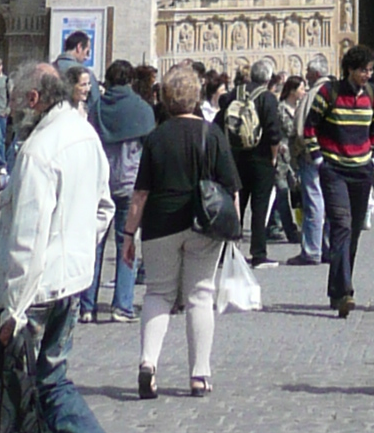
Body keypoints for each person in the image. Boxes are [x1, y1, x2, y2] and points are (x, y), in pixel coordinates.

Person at [0, 61, 142, 433]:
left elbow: (27, 242)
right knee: (48, 387)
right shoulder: (84, 135)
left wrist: (13, 312)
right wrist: (77, 256)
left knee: (9, 402)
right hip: (68, 287)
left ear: (32, 101)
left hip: (32, 295)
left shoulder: (39, 150)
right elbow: (104, 209)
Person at [122, 61, 239, 398]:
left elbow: (140, 193)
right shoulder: (212, 133)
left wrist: (129, 235)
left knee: (158, 294)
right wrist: (234, 229)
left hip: (160, 223)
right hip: (203, 224)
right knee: (201, 295)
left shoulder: (157, 137)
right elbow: (231, 187)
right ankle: (199, 375)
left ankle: (148, 363)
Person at [312, 43, 374, 318]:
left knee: (353, 230)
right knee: (340, 226)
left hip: (361, 168)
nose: (367, 75)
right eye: (363, 70)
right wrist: (319, 159)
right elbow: (310, 126)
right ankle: (345, 292)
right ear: (349, 70)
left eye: (369, 70)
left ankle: (336, 287)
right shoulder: (329, 93)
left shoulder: (373, 95)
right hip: (335, 168)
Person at [88, 61, 155, 321]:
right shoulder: (141, 108)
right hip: (130, 183)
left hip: (100, 184)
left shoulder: (98, 108)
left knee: (95, 244)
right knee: (126, 242)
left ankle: (86, 305)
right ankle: (122, 305)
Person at [225, 59, 286, 270]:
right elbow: (274, 133)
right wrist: (273, 157)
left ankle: (230, 250)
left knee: (236, 203)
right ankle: (258, 254)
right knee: (260, 206)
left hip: (235, 157)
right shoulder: (268, 98)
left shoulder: (233, 95)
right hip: (260, 158)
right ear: (268, 79)